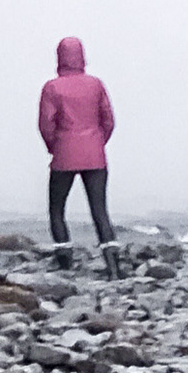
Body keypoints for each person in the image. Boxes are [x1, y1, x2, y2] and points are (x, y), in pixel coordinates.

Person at [37, 31, 116, 263]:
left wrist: (55, 147)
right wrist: (98, 142)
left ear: (59, 57)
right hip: (95, 155)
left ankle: (64, 262)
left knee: (57, 209)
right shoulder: (96, 85)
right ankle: (113, 265)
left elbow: (45, 125)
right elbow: (108, 121)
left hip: (64, 154)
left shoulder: (52, 88)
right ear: (82, 57)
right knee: (100, 211)